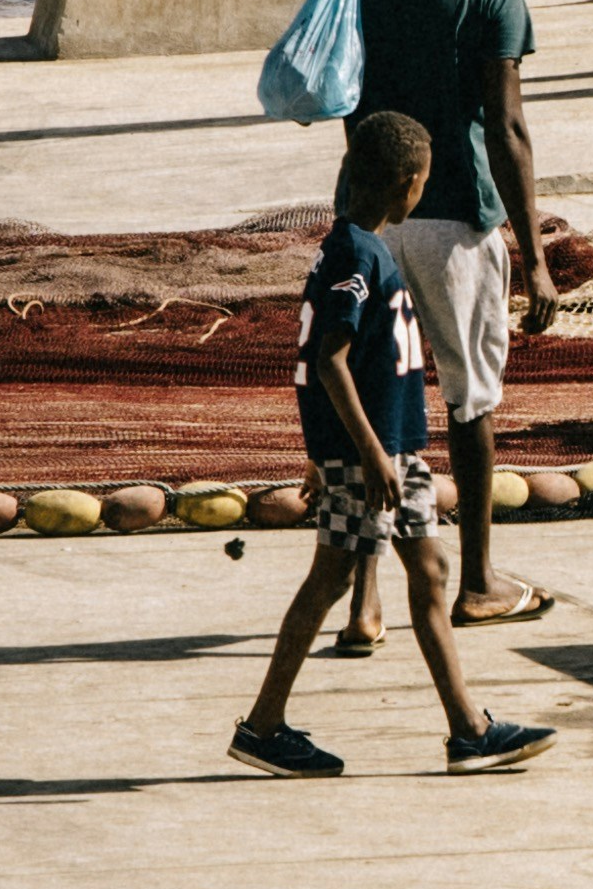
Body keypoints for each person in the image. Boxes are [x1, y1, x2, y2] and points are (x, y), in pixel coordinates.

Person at [230, 107, 554, 780]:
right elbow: (327, 361)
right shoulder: (354, 256)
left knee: (430, 574)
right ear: (406, 183)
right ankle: (263, 726)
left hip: (395, 452)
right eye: (423, 182)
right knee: (329, 578)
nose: (423, 193)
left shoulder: (369, 248)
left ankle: (470, 731)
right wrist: (360, 457)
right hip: (373, 458)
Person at [355, 0, 560, 631]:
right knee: (469, 403)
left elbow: (345, 102)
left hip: (374, 220)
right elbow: (506, 127)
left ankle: (365, 600)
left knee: (375, 408)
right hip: (456, 223)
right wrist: (535, 255)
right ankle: (476, 581)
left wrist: (365, 212)